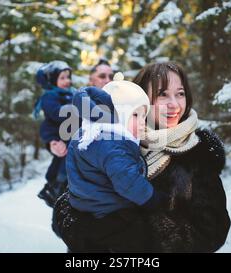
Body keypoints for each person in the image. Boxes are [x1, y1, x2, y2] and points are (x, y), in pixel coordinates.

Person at [53, 62, 231, 252]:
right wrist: (87, 226)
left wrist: (137, 235)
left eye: (180, 93)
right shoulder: (110, 141)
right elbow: (68, 203)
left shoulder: (198, 155)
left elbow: (212, 231)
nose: (174, 104)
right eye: (163, 94)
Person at [60, 73, 168, 252]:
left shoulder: (87, 134)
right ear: (118, 113)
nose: (143, 123)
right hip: (111, 214)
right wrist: (153, 199)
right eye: (135, 115)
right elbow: (128, 181)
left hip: (85, 209)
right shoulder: (112, 144)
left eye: (144, 116)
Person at [34, 60, 75, 208]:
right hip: (60, 134)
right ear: (53, 80)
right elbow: (56, 113)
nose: (67, 81)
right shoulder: (50, 96)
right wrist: (77, 109)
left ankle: (55, 186)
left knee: (64, 160)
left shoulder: (72, 94)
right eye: (62, 78)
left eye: (68, 77)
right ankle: (56, 186)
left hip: (70, 134)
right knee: (63, 160)